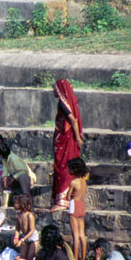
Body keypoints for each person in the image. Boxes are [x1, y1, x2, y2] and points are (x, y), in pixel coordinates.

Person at [51, 79, 83, 212]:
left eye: (54, 88)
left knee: (63, 167)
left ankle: (62, 201)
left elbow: (73, 121)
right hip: (66, 140)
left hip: (67, 140)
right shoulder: (70, 103)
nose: (53, 91)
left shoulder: (64, 104)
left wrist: (78, 138)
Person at [67, 157, 89, 260]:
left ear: (74, 169)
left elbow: (68, 196)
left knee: (75, 235)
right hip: (82, 205)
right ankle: (83, 258)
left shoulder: (73, 182)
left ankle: (75, 259)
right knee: (82, 234)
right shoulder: (84, 182)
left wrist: (69, 195)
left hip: (74, 205)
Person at [13, 194, 38, 260]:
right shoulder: (18, 215)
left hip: (32, 238)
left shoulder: (30, 215)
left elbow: (31, 231)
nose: (15, 205)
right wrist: (16, 237)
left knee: (29, 259)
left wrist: (22, 240)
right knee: (22, 259)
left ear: (23, 203)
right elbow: (17, 229)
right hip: (23, 238)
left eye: (17, 203)